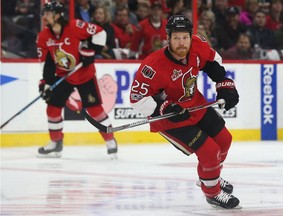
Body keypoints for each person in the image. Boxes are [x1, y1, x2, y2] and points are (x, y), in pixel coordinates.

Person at [129, 15, 240, 209]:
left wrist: (225, 85)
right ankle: (212, 192)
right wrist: (166, 107)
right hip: (169, 118)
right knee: (209, 151)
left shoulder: (197, 45)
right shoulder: (152, 66)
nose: (182, 43)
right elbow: (137, 100)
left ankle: (208, 177)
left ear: (191, 36)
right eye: (177, 38)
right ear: (168, 39)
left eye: (185, 37)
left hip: (194, 104)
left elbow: (212, 63)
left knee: (224, 140)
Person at [36, 1, 118, 159]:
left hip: (84, 74)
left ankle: (110, 140)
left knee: (95, 110)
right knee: (52, 108)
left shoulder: (74, 26)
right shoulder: (43, 36)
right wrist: (46, 82)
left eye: (48, 12)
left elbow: (100, 33)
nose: (44, 16)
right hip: (62, 75)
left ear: (58, 15)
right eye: (44, 13)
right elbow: (45, 63)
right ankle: (56, 143)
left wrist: (91, 51)